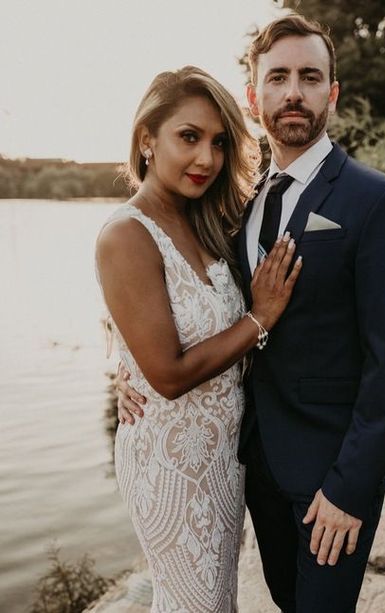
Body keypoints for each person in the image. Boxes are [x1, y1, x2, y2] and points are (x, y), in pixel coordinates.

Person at [117, 14, 385, 613]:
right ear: (254, 96)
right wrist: (127, 364)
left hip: (330, 481)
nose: (294, 92)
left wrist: (351, 488)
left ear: (332, 94)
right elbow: (174, 294)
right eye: (277, 77)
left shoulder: (381, 201)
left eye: (310, 77)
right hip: (252, 465)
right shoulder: (239, 203)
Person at [95, 65, 302, 613]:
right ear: (147, 139)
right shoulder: (125, 235)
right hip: (170, 463)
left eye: (217, 142)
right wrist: (260, 318)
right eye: (188, 137)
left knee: (218, 600)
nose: (206, 159)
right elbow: (165, 375)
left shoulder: (207, 220)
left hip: (222, 457)